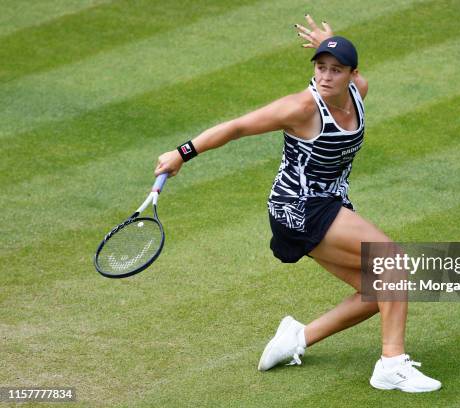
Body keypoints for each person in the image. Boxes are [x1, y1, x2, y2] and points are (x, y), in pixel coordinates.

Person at [155, 15, 441, 393]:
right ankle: (391, 365)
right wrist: (181, 153)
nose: (325, 76)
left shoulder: (360, 90)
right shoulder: (300, 109)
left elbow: (352, 73)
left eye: (336, 70)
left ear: (352, 75)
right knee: (393, 263)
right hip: (298, 207)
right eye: (320, 67)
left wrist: (332, 39)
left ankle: (296, 338)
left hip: (330, 203)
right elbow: (237, 127)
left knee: (382, 292)